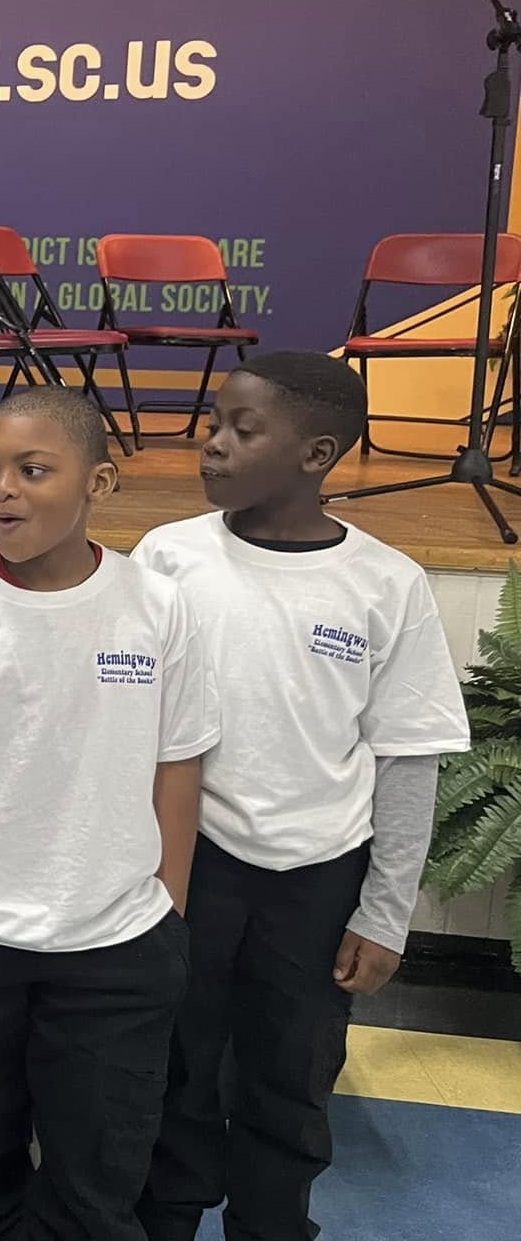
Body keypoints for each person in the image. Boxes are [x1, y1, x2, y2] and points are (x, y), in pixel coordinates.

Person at [0, 387, 216, 1241]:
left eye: (32, 470)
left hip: (118, 944)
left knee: (98, 1173)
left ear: (101, 481)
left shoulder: (157, 606)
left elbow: (180, 763)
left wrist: (167, 904)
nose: (1, 490)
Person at [132, 354, 469, 1241]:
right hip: (185, 865)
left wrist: (386, 910)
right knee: (173, 1063)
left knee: (292, 1072)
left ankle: (273, 1223)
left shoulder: (384, 583)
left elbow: (408, 757)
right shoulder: (170, 557)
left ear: (317, 452)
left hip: (317, 877)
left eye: (244, 430)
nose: (214, 445)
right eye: (215, 422)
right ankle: (161, 1219)